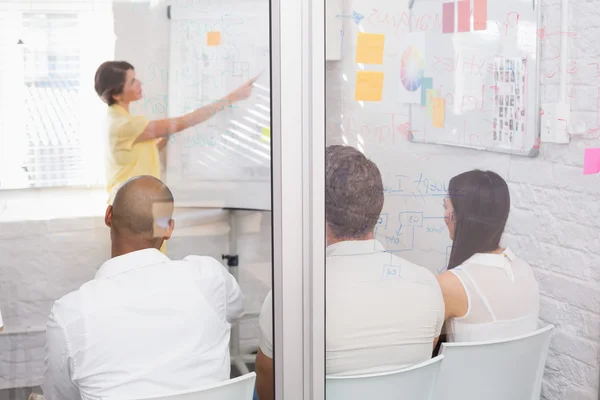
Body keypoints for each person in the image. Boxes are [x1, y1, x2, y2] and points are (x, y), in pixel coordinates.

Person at [255, 145, 445, 400]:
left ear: (315, 210)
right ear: (378, 206)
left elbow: (269, 387)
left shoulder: (288, 298)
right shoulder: (427, 285)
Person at [42, 176, 244, 400]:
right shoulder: (209, 277)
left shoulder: (69, 315)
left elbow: (60, 397)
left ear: (108, 215)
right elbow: (236, 311)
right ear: (168, 229)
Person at [94, 61, 255, 206]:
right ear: (116, 94)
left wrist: (166, 134)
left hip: (143, 201)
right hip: (132, 207)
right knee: (155, 237)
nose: (139, 83)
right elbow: (183, 122)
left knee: (161, 237)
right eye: (132, 81)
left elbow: (138, 157)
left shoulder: (116, 119)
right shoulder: (125, 125)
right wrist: (234, 97)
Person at [437, 170, 540, 342]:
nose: (445, 216)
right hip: (518, 369)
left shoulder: (451, 284)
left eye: (446, 206)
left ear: (460, 217)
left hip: (463, 369)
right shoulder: (525, 271)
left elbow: (421, 354)